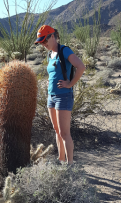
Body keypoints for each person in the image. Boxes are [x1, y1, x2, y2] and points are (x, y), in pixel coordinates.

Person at [35, 25, 86, 164]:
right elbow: (54, 72)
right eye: (41, 42)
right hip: (51, 96)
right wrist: (49, 82)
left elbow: (81, 67)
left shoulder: (64, 50)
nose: (43, 44)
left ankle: (69, 166)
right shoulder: (50, 53)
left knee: (65, 133)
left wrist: (70, 84)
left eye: (45, 41)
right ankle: (61, 159)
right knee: (57, 131)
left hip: (63, 96)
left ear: (52, 36)